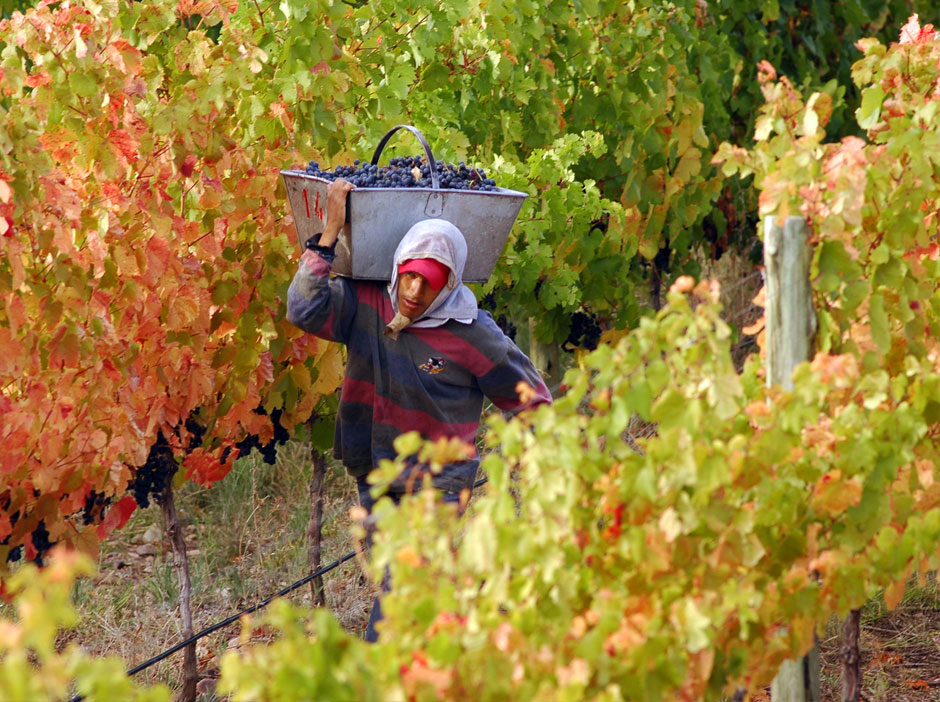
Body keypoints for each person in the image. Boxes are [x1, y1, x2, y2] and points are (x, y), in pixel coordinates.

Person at [286, 177, 552, 640]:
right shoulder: (367, 304)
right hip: (374, 468)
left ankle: (374, 678)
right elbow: (302, 310)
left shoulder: (472, 333)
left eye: (427, 284)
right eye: (407, 275)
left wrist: (543, 464)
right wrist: (329, 234)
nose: (412, 292)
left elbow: (530, 398)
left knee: (401, 593)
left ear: (449, 284)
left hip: (436, 485)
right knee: (399, 583)